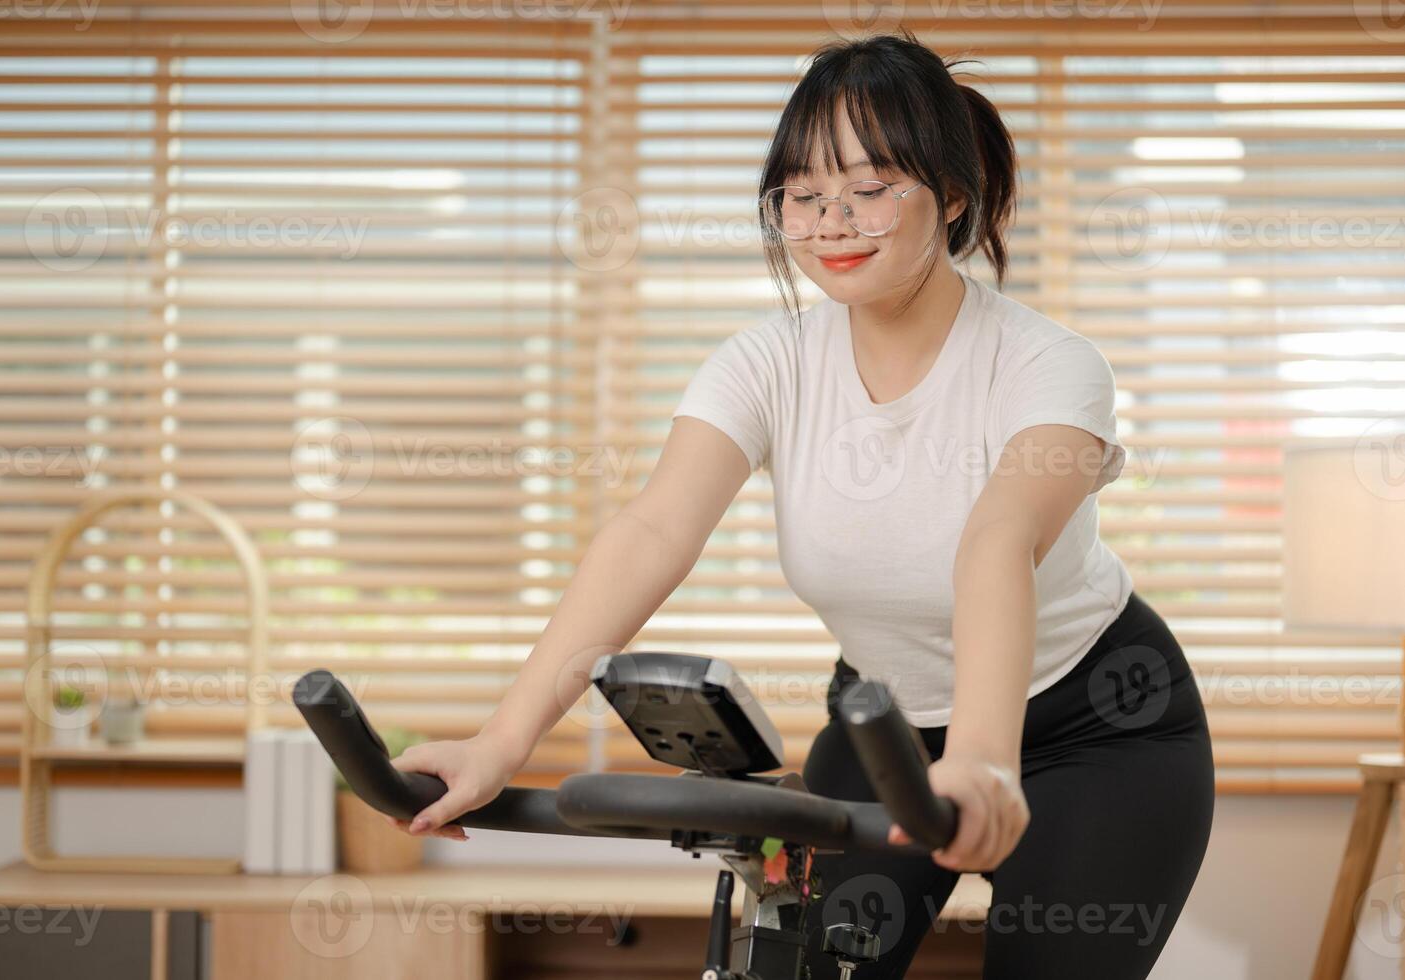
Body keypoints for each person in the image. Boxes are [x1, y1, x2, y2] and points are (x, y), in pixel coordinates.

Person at [390, 31, 1214, 980]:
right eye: (804, 194)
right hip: (886, 727)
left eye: (868, 189)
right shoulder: (765, 363)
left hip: (1095, 726)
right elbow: (651, 532)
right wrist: (504, 740)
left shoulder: (1049, 365)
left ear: (950, 197)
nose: (831, 222)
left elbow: (996, 543)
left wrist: (985, 763)